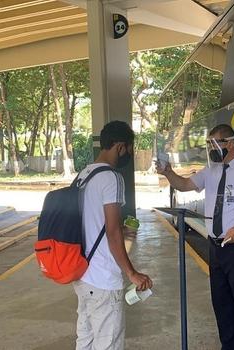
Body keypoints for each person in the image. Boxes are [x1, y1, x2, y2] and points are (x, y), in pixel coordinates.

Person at [157, 124, 234, 350]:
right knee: (222, 303)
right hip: (216, 247)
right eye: (208, 144)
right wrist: (168, 172)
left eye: (215, 144)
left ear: (230, 143)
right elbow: (185, 184)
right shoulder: (211, 171)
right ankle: (229, 346)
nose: (211, 148)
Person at [73, 120, 152, 350]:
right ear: (120, 146)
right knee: (108, 344)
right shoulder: (111, 178)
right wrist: (132, 273)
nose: (128, 153)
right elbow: (112, 231)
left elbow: (93, 222)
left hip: (82, 274)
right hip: (103, 280)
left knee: (85, 341)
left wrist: (124, 232)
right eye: (128, 148)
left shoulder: (84, 175)